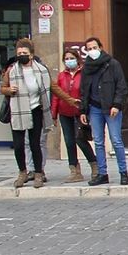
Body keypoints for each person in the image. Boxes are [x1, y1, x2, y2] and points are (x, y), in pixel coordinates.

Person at [2, 38, 52, 188]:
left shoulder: (41, 70)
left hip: (35, 109)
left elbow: (50, 88)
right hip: (17, 110)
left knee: (35, 143)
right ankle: (22, 172)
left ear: (31, 55)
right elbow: (3, 88)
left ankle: (38, 173)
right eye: (19, 53)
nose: (21, 55)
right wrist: (9, 90)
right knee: (18, 145)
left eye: (24, 53)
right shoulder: (12, 70)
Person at [81, 35, 128, 186]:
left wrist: (116, 104)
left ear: (100, 48)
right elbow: (84, 90)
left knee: (116, 140)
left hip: (111, 108)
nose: (92, 51)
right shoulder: (86, 68)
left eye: (94, 48)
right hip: (94, 108)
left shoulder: (112, 64)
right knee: (99, 141)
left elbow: (121, 86)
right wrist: (83, 110)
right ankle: (102, 174)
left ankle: (123, 172)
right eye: (89, 49)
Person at [51, 48, 97, 183]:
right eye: (66, 59)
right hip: (64, 113)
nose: (69, 61)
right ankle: (74, 170)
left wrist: (86, 110)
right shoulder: (61, 76)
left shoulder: (84, 74)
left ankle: (94, 165)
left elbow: (86, 92)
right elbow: (56, 96)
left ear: (77, 59)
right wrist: (54, 114)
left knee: (80, 139)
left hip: (79, 112)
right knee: (69, 141)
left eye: (71, 58)